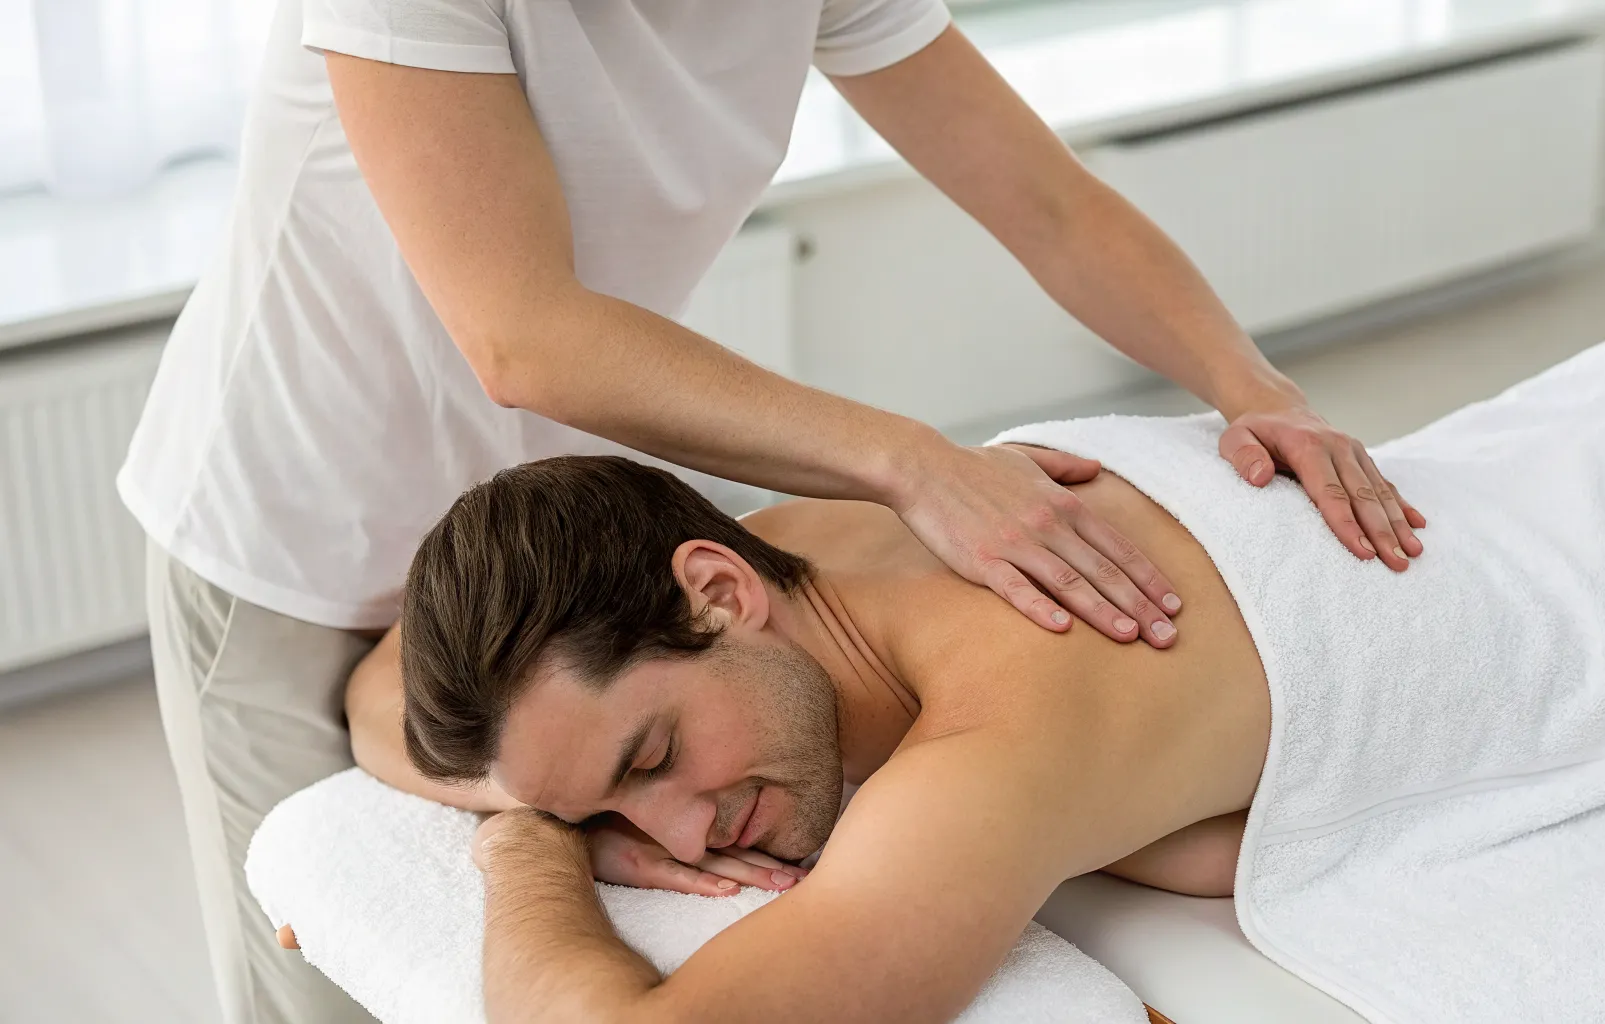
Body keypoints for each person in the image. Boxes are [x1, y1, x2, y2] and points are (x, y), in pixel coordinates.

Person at [119, 2, 1423, 1020]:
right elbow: (523, 335)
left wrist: (1256, 389)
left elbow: (1047, 200)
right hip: (299, 533)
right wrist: (908, 461)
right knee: (328, 984)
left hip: (560, 526)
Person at [334, 316, 1605, 1022]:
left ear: (715, 591)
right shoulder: (802, 541)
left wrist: (524, 851)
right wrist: (558, 789)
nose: (685, 839)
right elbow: (390, 689)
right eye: (613, 815)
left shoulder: (1004, 740)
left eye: (650, 765)